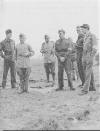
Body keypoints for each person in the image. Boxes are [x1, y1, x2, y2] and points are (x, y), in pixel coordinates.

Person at [79, 24, 97, 95]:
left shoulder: (92, 36)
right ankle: (92, 87)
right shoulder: (85, 37)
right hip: (84, 56)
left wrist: (91, 56)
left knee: (87, 73)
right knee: (89, 72)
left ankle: (85, 90)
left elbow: (95, 48)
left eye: (82, 29)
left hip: (89, 55)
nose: (82, 30)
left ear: (86, 28)